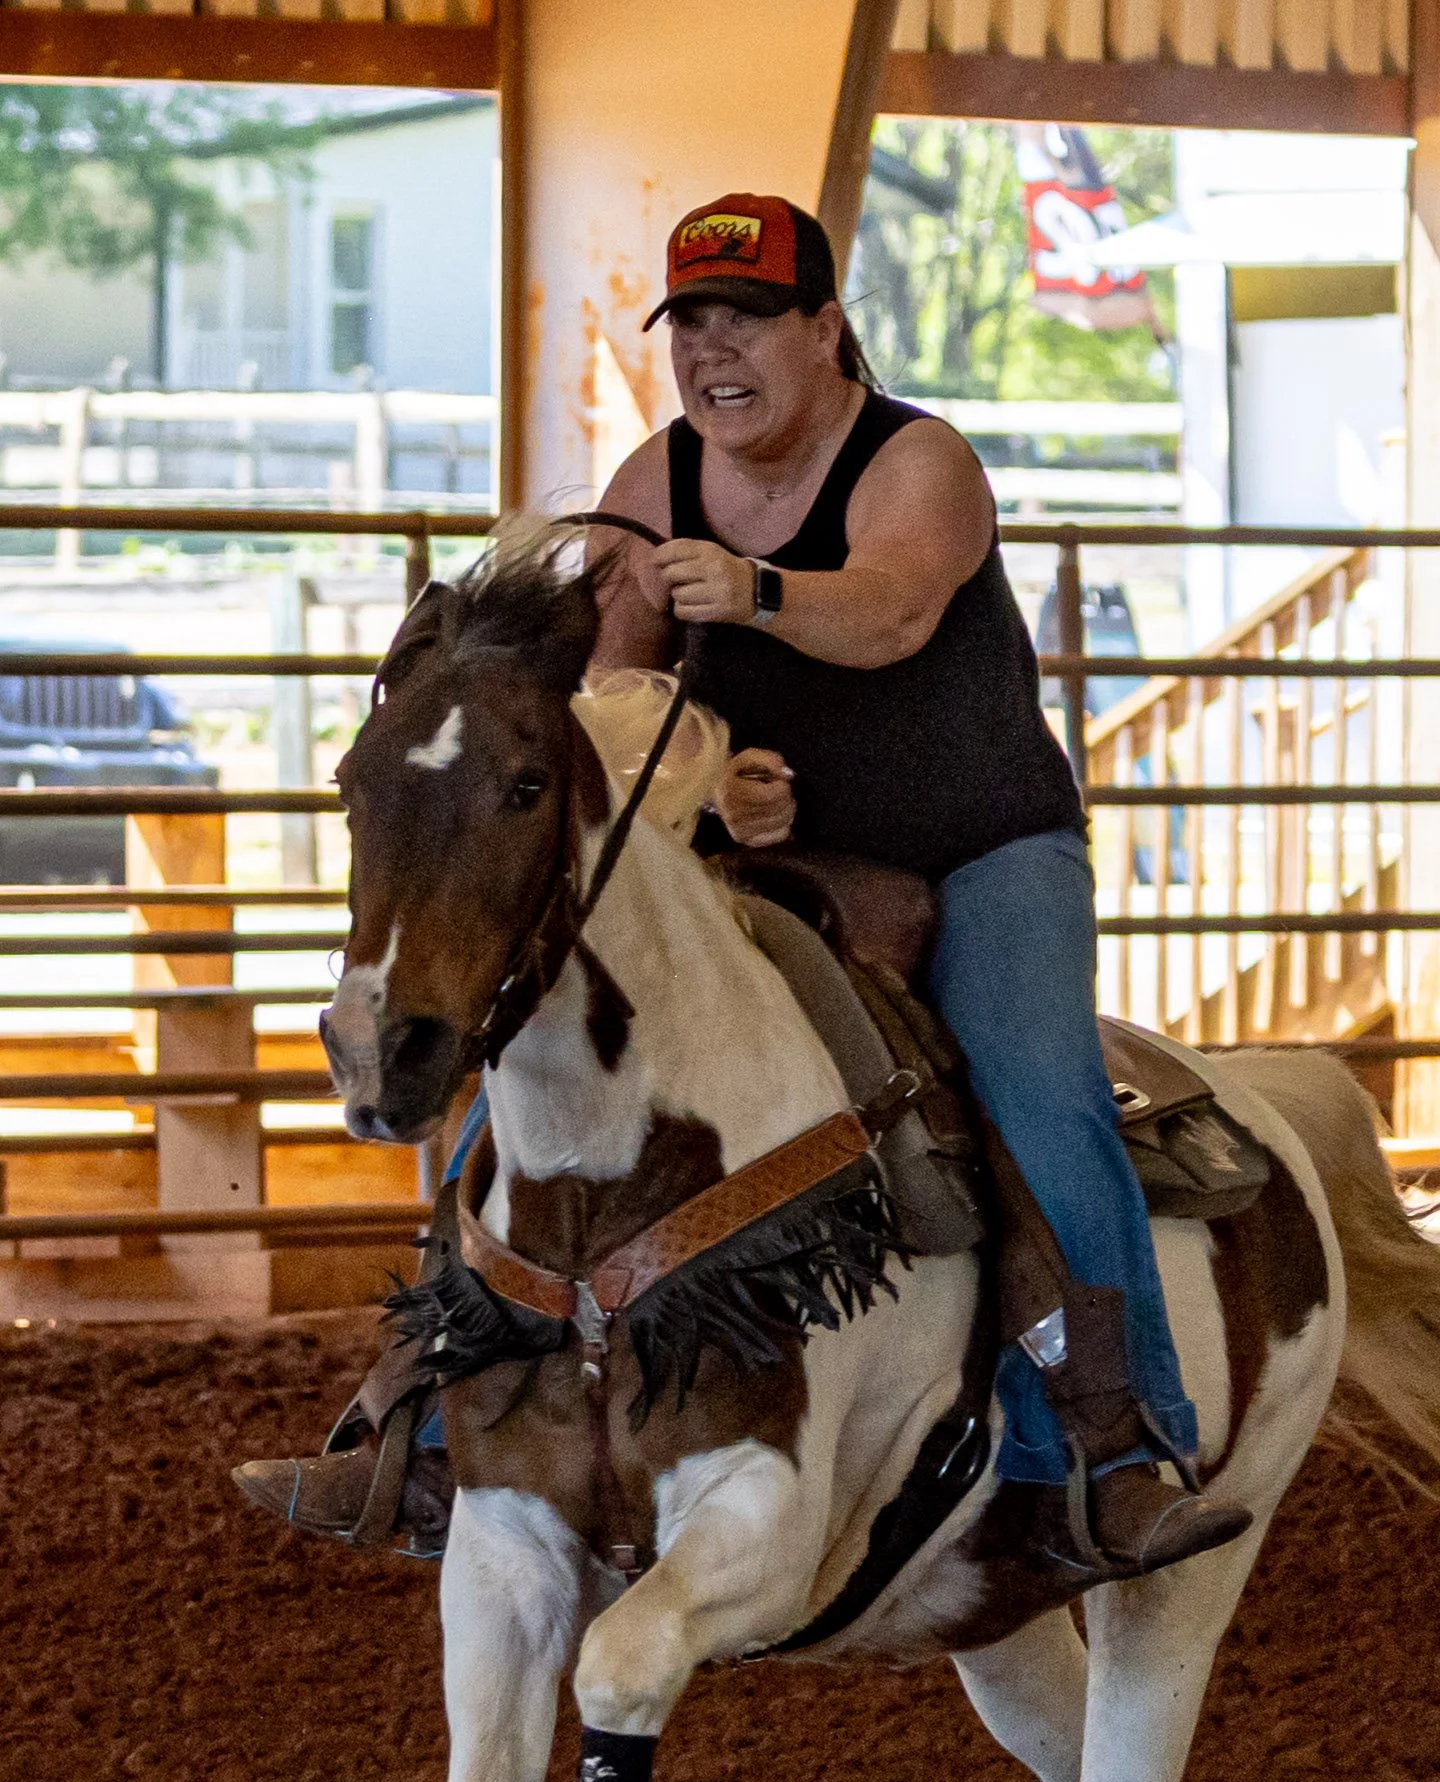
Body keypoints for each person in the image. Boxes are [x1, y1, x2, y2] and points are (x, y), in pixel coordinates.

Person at [240, 193, 1244, 1581]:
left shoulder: (918, 462)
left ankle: (1117, 1448)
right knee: (523, 1070)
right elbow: (612, 691)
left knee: (1036, 1091)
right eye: (694, 322)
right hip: (768, 863)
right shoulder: (654, 484)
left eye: (751, 318)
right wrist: (707, 777)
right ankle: (411, 1419)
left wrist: (756, 590)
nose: (716, 349)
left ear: (824, 329)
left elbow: (893, 609)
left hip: (980, 853)